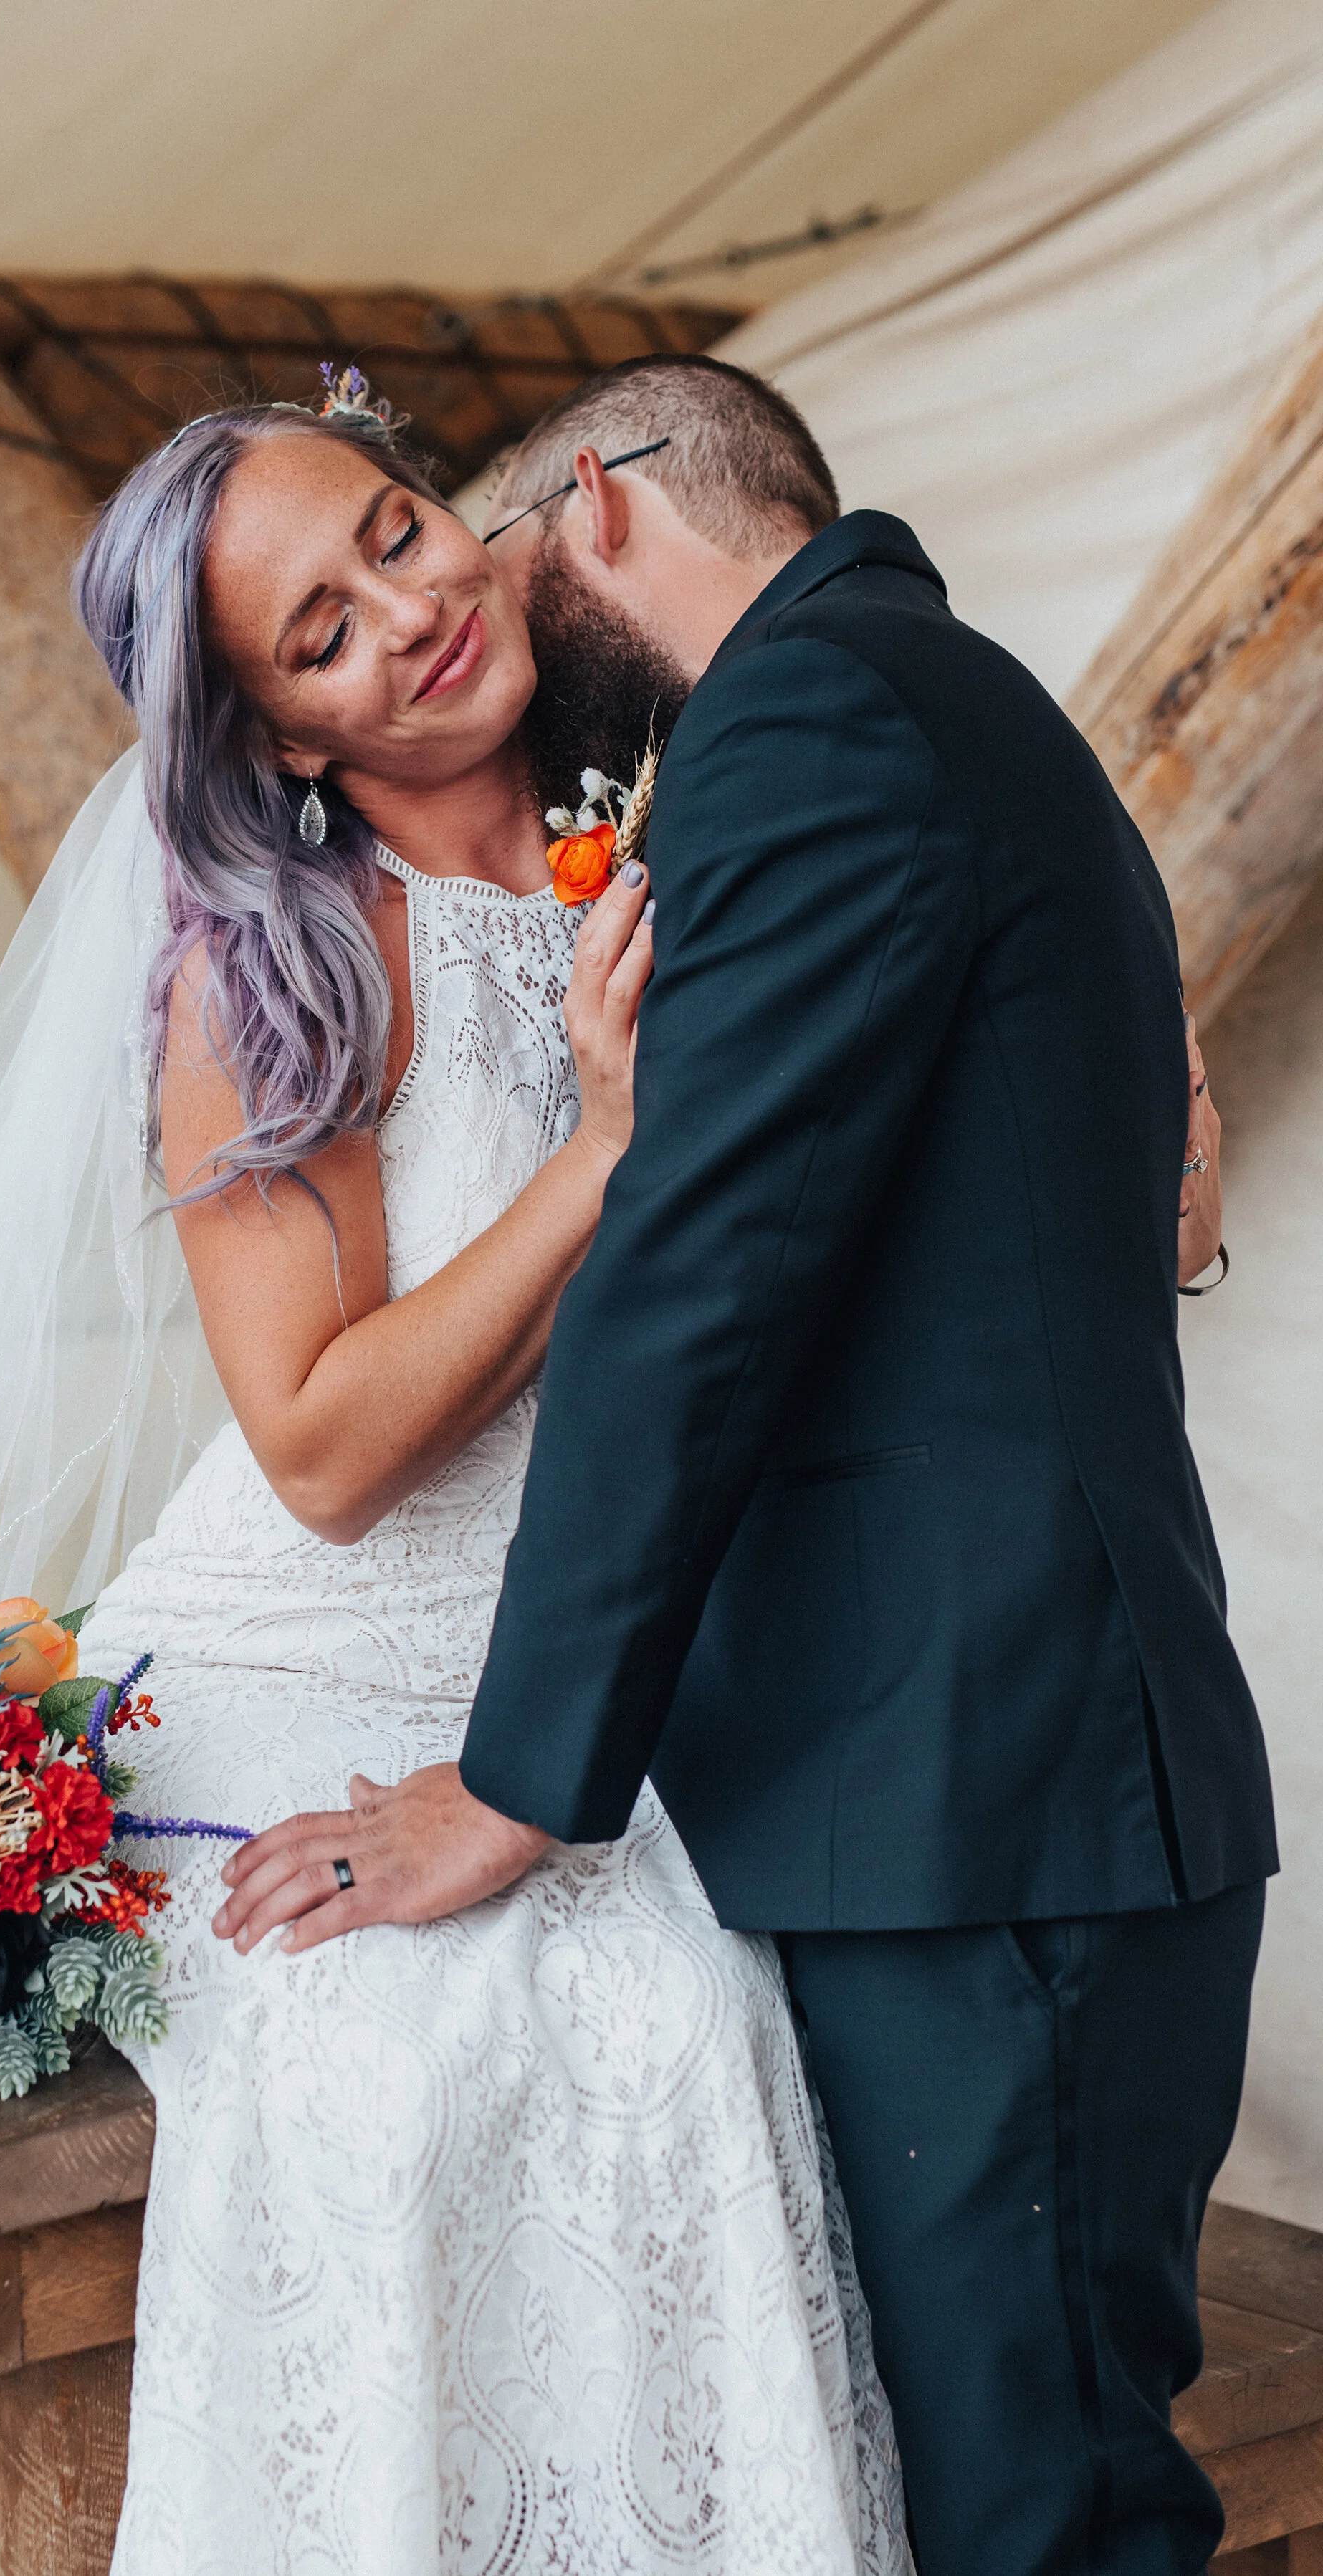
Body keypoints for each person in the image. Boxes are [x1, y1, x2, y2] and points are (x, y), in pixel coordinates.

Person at [225, 355, 1275, 2575]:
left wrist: (516, 1786)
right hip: (959, 1782)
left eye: (455, 533)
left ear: (597, 503)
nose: (459, 596)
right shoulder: (921, 697)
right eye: (326, 623)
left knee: (1045, 2521)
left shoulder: (804, 721)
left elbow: (705, 1279)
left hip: (988, 1804)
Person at [62, 384, 912, 2574]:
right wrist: (611, 1149)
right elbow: (323, 1451)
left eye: (396, 531)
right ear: (278, 740)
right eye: (322, 636)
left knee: (704, 2004)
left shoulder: (668, 808)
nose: (414, 610)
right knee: (414, 2042)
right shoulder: (278, 972)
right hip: (292, 1656)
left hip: (576, 1642)